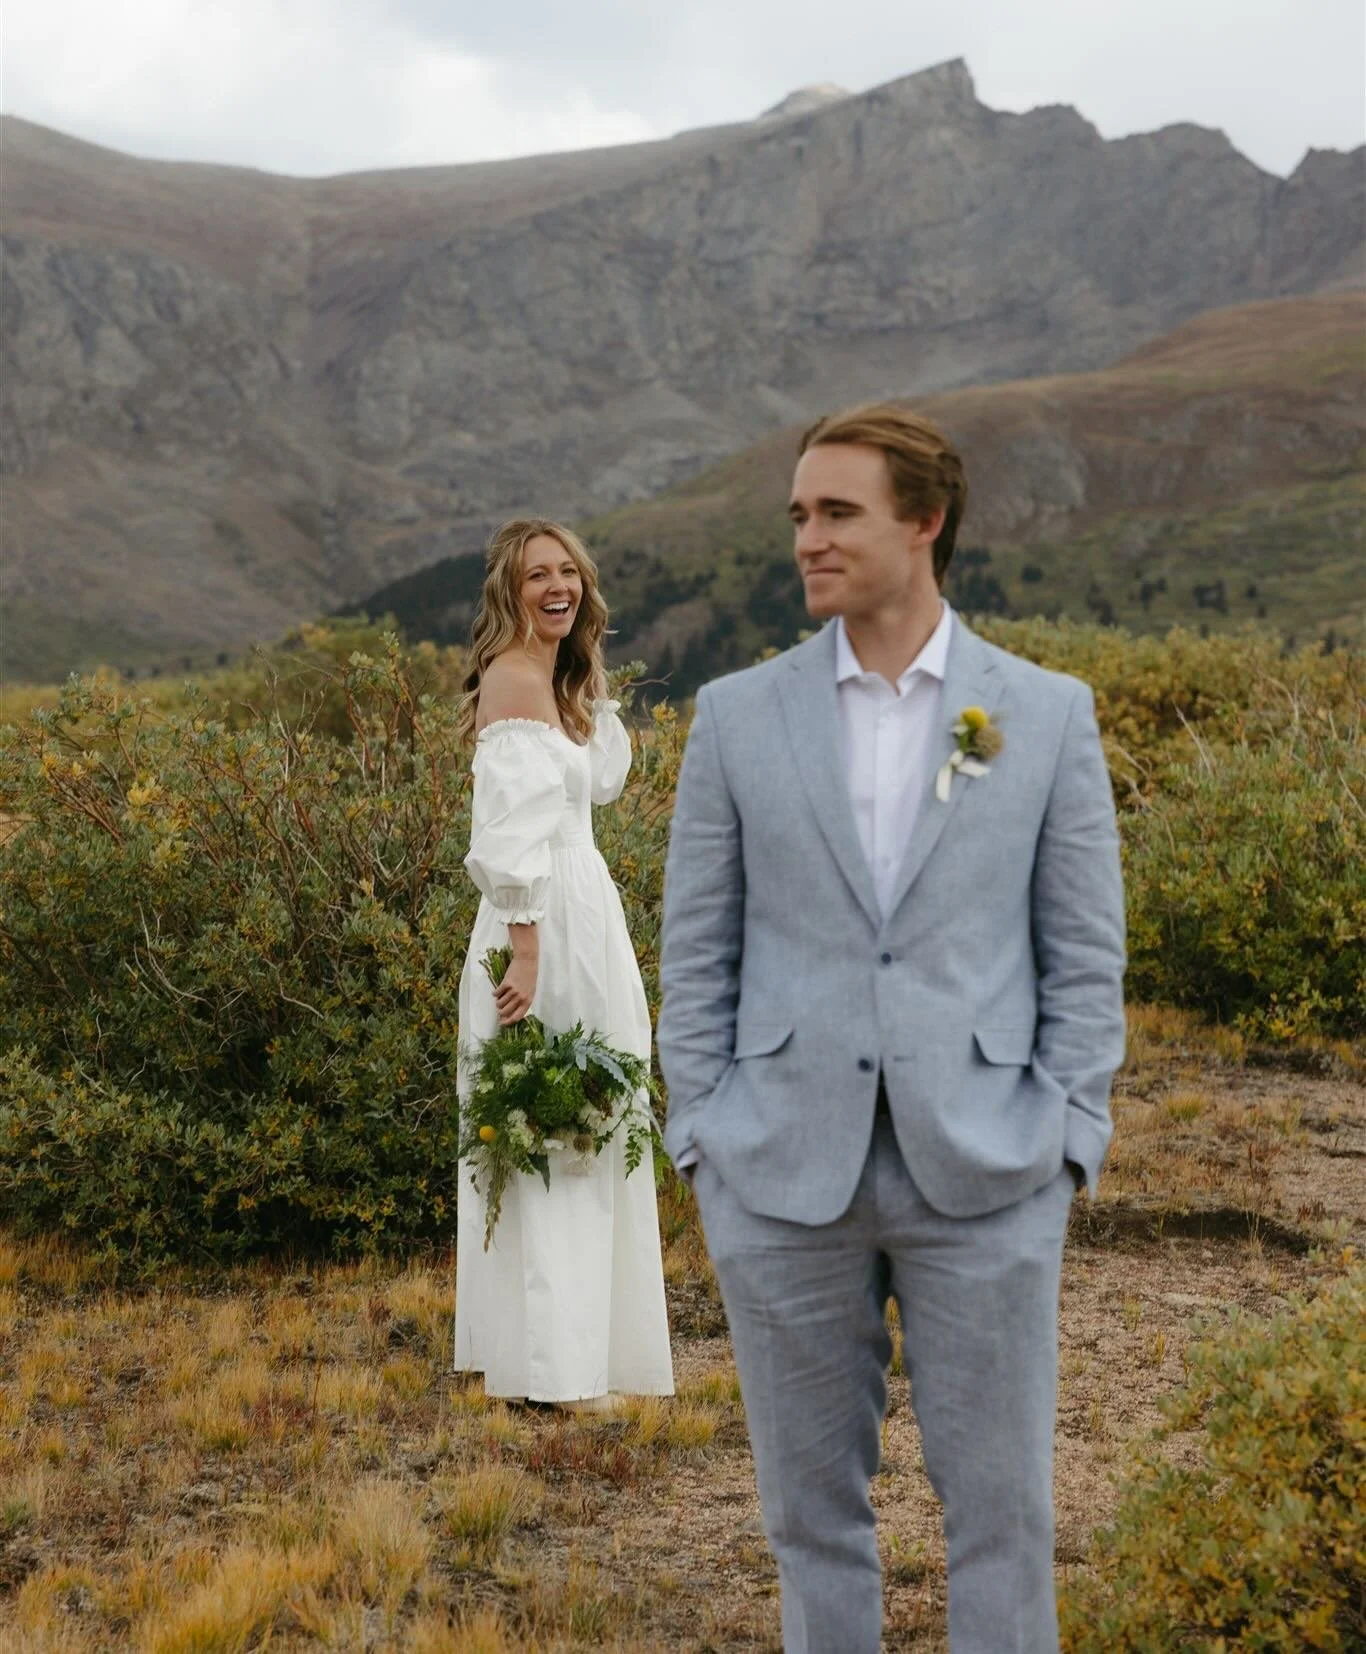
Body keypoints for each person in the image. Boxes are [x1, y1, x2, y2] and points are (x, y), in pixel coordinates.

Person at [657, 404, 1126, 1653]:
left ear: (924, 522)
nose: (805, 539)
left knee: (1004, 1520)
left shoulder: (1042, 713)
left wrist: (1069, 1133)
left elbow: (1084, 950)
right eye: (797, 515)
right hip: (776, 1174)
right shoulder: (734, 715)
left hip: (989, 1169)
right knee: (808, 1523)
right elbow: (696, 948)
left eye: (837, 513)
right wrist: (702, 1134)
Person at [453, 517, 674, 1409]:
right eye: (538, 575)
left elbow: (601, 784)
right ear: (510, 590)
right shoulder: (513, 676)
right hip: (540, 923)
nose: (559, 587)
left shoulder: (555, 676)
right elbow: (507, 831)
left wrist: (588, 672)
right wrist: (527, 950)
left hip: (584, 911)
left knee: (594, 1119)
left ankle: (576, 1355)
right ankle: (551, 1370)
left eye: (569, 573)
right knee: (552, 1119)